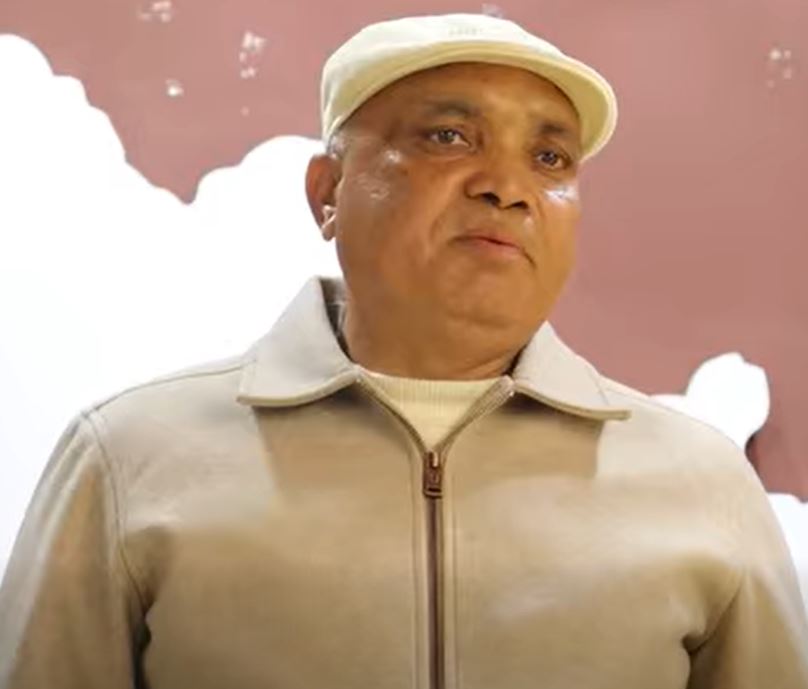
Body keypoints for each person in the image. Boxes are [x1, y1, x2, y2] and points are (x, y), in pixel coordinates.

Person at [1, 12, 806, 689]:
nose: (507, 185)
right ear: (327, 193)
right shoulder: (128, 460)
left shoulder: (703, 485)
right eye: (449, 136)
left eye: (550, 158)